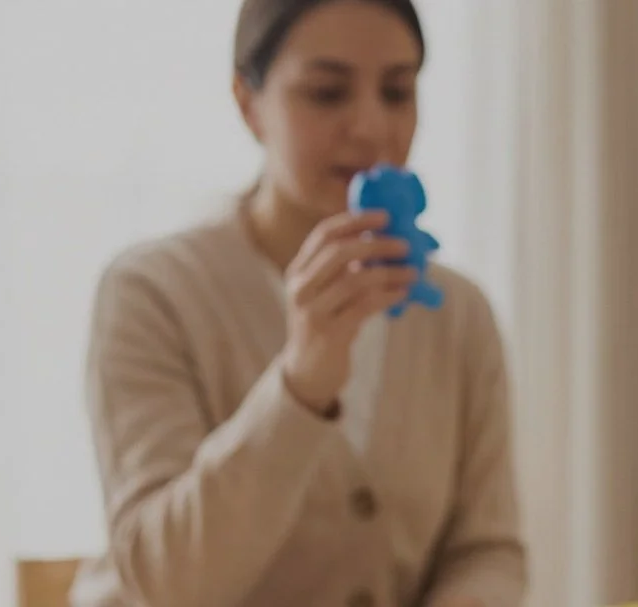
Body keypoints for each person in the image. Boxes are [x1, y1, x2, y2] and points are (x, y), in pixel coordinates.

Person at [69, 1, 525, 605]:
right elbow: (167, 580)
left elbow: (487, 552)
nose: (370, 128)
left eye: (396, 92)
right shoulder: (151, 293)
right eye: (327, 93)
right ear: (246, 102)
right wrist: (301, 384)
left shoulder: (459, 315)